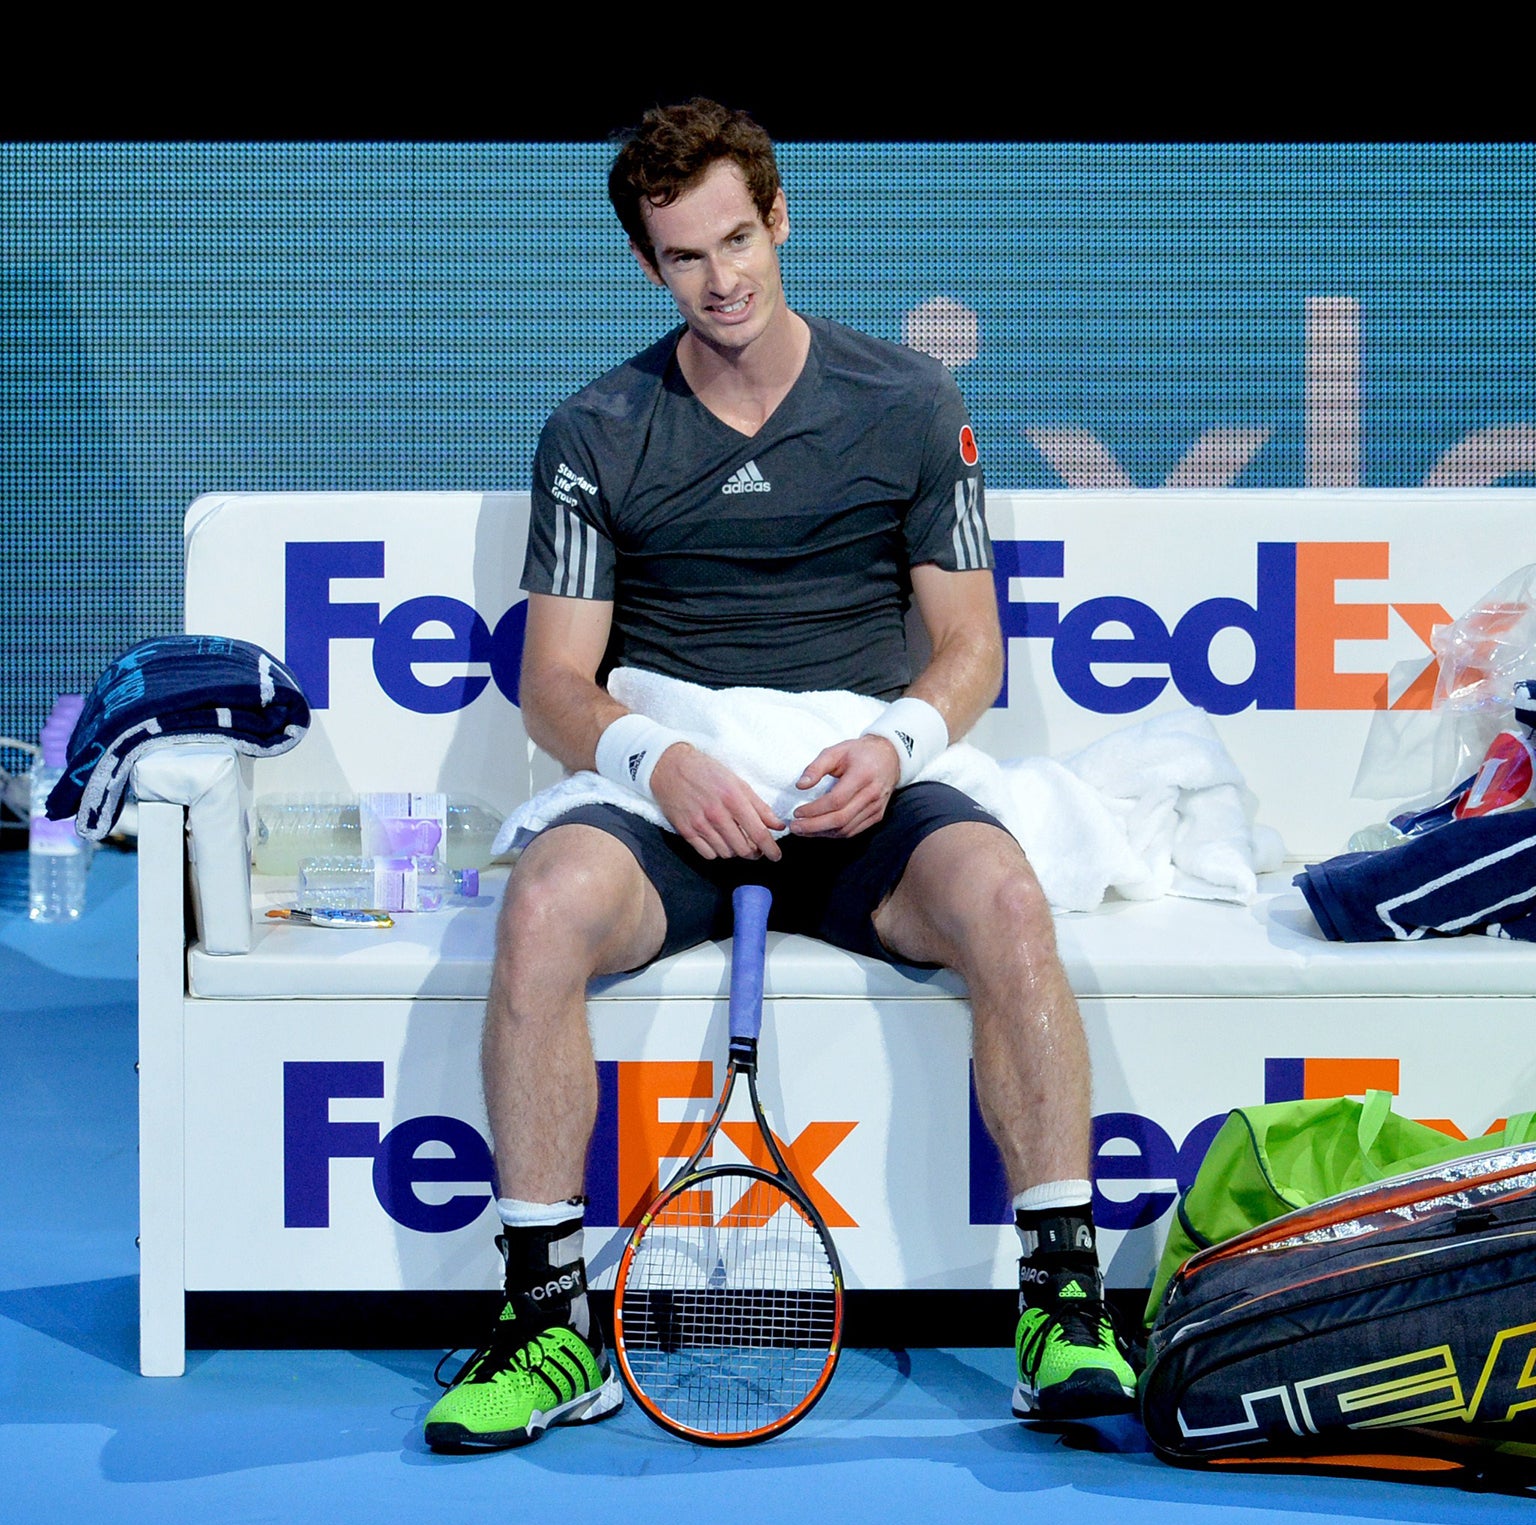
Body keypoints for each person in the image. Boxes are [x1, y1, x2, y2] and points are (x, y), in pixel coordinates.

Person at [425, 99, 1135, 1452]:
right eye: (685, 257)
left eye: (738, 240)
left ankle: (1062, 1304)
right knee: (540, 907)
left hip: (858, 793)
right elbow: (557, 686)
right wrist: (658, 758)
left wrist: (898, 746)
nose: (722, 279)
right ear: (648, 266)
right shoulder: (594, 432)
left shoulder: (909, 402)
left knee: (1001, 895)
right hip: (680, 803)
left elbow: (972, 647)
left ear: (780, 216)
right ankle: (543, 1321)